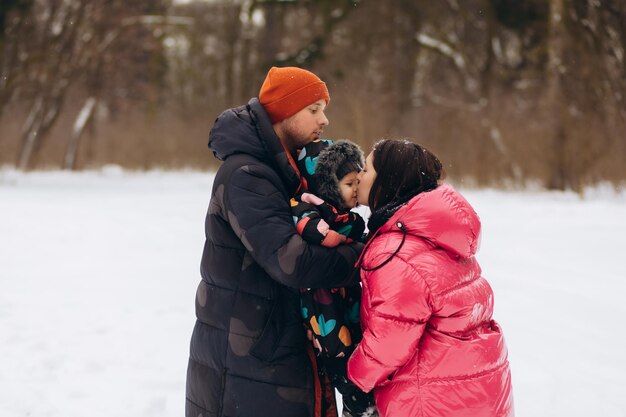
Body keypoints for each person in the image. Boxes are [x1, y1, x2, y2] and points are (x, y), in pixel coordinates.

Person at [186, 67, 363, 417]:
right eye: (313, 109)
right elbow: (293, 262)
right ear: (283, 112)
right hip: (247, 360)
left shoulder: (285, 171)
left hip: (269, 352)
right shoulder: (247, 176)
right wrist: (366, 256)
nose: (324, 120)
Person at [346, 139, 514, 417]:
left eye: (366, 169)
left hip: (433, 399)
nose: (359, 176)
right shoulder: (439, 237)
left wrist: (355, 377)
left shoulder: (396, 251)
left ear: (387, 181)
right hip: (476, 392)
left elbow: (390, 341)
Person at [291, 139, 377, 417]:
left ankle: (361, 392)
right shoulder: (309, 202)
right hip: (320, 296)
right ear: (328, 184)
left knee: (356, 331)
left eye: (357, 182)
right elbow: (310, 229)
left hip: (348, 289)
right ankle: (349, 387)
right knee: (335, 345)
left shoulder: (349, 216)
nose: (356, 190)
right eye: (349, 184)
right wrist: (339, 238)